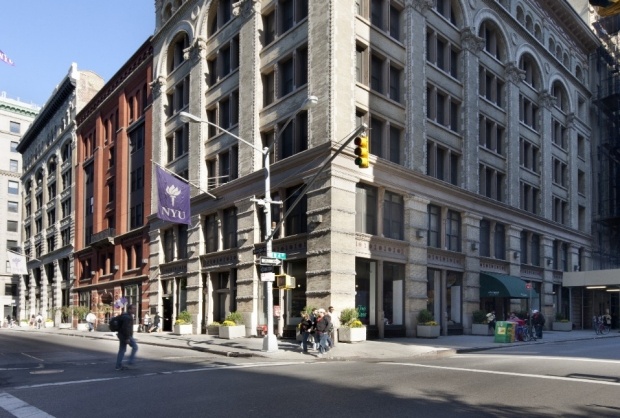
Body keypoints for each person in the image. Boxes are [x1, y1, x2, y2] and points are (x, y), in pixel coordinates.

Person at [115, 304, 138, 370]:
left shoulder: (125, 316)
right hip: (125, 335)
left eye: (135, 308)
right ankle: (130, 361)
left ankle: (118, 366)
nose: (135, 310)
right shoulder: (127, 317)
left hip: (122, 335)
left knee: (122, 350)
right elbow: (126, 328)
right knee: (135, 347)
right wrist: (127, 338)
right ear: (129, 309)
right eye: (133, 308)